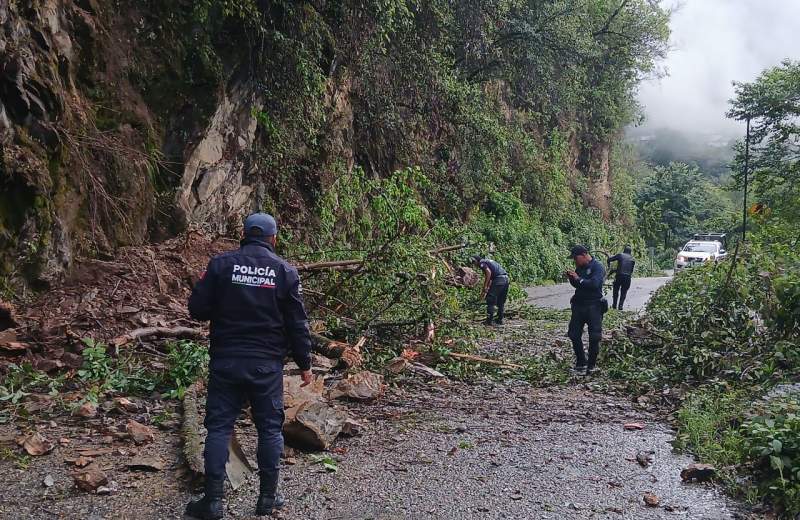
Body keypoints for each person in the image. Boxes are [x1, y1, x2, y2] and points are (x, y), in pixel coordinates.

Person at [185, 213, 312, 520]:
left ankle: (213, 502)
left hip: (226, 361)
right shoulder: (284, 271)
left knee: (218, 427)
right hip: (265, 366)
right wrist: (305, 364)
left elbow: (197, 309)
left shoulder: (220, 266)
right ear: (274, 238)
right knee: (269, 429)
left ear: (243, 234)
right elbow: (297, 324)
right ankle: (268, 499)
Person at [565, 245, 606, 375]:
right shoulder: (580, 267)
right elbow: (578, 284)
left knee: (594, 336)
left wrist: (579, 279)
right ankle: (581, 361)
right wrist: (573, 278)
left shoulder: (597, 267)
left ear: (584, 255)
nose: (575, 261)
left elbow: (594, 284)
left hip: (594, 305)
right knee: (573, 334)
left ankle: (591, 365)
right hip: (579, 305)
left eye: (576, 258)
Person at [471, 255, 510, 325]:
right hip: (506, 279)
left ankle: (489, 321)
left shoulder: (482, 263)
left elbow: (488, 273)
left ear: (476, 261)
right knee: (500, 301)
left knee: (490, 300)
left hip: (499, 280)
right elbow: (491, 278)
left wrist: (484, 286)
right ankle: (500, 320)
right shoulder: (488, 261)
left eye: (474, 263)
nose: (474, 265)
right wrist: (487, 288)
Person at [607, 245, 636, 310]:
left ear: (624, 250)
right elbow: (630, 271)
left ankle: (614, 305)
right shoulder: (633, 259)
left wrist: (609, 267)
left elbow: (609, 259)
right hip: (628, 277)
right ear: (630, 252)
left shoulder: (620, 255)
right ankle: (620, 306)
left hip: (619, 276)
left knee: (616, 290)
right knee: (624, 292)